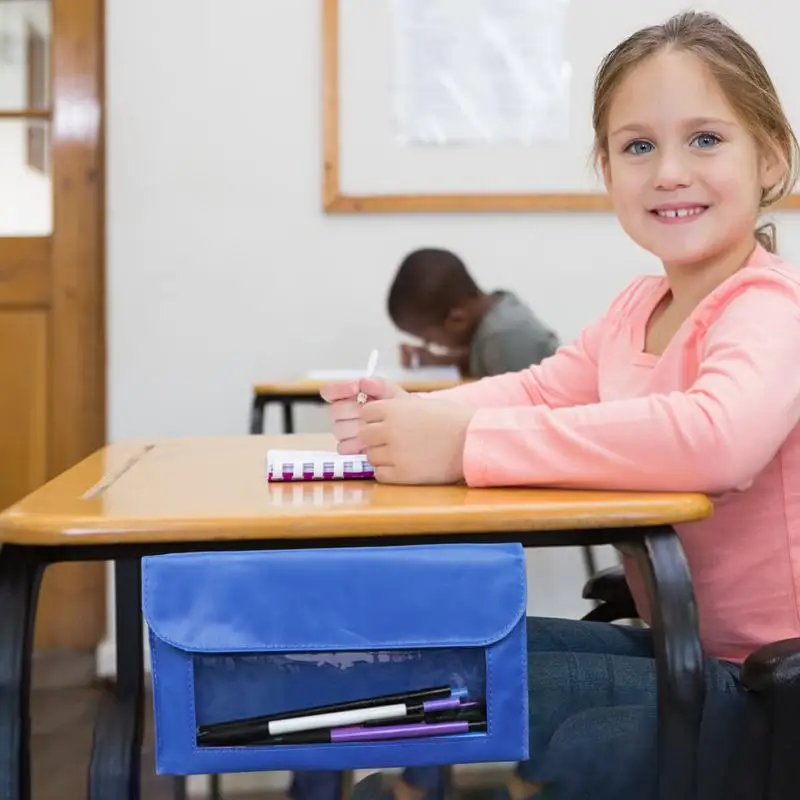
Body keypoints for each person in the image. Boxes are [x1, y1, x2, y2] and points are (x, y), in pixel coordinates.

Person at [320, 11, 800, 800]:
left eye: (706, 139)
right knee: (450, 667)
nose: (669, 170)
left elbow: (718, 438)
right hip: (682, 646)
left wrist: (466, 448)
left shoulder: (769, 305)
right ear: (607, 171)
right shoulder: (636, 309)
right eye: (638, 146)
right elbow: (540, 388)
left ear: (771, 156)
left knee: (578, 744)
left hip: (770, 691)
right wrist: (418, 417)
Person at [387, 247, 560, 378]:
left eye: (430, 340)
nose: (431, 345)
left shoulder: (505, 335)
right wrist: (435, 361)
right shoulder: (494, 313)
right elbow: (480, 358)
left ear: (457, 320)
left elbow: (523, 411)